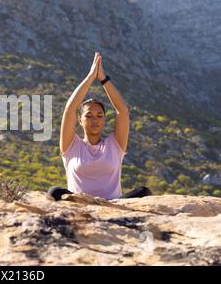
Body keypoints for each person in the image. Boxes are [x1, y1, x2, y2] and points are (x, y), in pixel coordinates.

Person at [49, 52, 152, 201]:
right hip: (80, 202)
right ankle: (86, 203)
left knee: (144, 191)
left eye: (99, 116)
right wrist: (91, 76)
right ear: (80, 120)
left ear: (104, 119)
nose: (94, 120)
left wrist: (103, 79)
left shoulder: (114, 144)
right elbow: (69, 109)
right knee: (55, 192)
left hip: (113, 204)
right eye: (89, 116)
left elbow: (122, 110)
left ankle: (106, 206)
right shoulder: (71, 146)